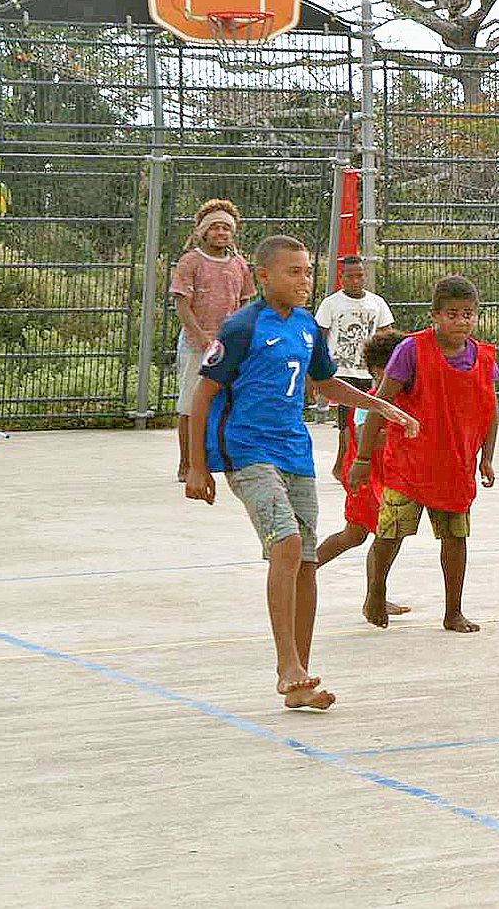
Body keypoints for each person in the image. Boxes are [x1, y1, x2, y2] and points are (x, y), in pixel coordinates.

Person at [184, 234, 419, 710]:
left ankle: (302, 680)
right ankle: (285, 664)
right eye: (293, 272)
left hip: (295, 452)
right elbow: (203, 395)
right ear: (264, 276)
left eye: (308, 271)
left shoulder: (309, 328)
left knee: (306, 559)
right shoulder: (242, 328)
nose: (304, 280)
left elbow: (326, 381)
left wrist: (382, 407)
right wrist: (195, 465)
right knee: (286, 544)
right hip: (249, 452)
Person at [351, 275, 498, 634]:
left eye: (467, 314)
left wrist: (487, 457)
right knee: (390, 533)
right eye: (452, 314)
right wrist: (362, 458)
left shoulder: (482, 357)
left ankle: (453, 611)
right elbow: (379, 404)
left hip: (455, 466)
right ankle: (376, 590)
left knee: (455, 538)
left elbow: (491, 410)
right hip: (409, 464)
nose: (460, 321)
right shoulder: (412, 350)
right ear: (434, 316)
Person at [314, 328, 411, 622]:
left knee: (385, 535)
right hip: (366, 478)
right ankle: (304, 569)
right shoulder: (368, 402)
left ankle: (376, 594)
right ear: (376, 372)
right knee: (356, 536)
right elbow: (361, 435)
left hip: (388, 478)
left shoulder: (402, 399)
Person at [170, 199, 255, 482]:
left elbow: (245, 303)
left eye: (226, 228)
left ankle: (224, 458)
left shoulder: (239, 264)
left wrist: (239, 337)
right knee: (190, 403)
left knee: (229, 402)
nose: (221, 233)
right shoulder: (191, 262)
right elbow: (182, 303)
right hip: (198, 343)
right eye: (215, 228)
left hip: (228, 344)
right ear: (203, 232)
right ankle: (187, 463)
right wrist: (200, 335)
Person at [315, 254, 396, 483]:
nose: (355, 281)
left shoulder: (377, 303)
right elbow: (319, 338)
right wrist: (317, 375)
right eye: (350, 277)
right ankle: (342, 464)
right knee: (346, 423)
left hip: (367, 372)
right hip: (340, 372)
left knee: (365, 418)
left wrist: (385, 369)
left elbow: (387, 337)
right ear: (341, 278)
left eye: (359, 276)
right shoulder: (331, 304)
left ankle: (352, 462)